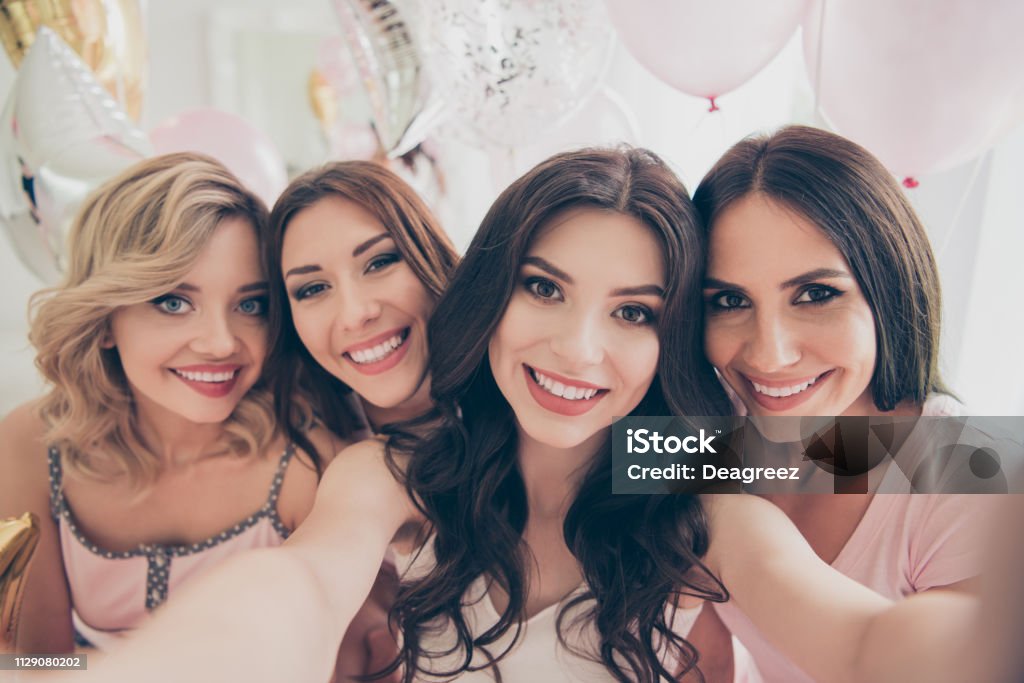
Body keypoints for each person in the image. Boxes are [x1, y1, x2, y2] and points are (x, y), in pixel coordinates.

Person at [54, 148, 982, 683]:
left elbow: (864, 635)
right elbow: (296, 588)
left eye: (635, 312)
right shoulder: (382, 472)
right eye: (543, 287)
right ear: (489, 290)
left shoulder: (709, 495)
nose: (579, 350)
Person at [0, 153, 344, 652]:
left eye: (250, 304)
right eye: (173, 302)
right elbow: (26, 663)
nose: (221, 342)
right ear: (103, 320)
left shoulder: (306, 459)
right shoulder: (25, 447)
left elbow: (343, 662)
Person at [692, 125, 994, 681]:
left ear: (889, 290)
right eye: (730, 300)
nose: (770, 354)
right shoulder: (706, 435)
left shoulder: (968, 482)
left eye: (815, 295)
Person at [264, 160, 459, 680]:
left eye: (379, 262)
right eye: (312, 289)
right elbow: (303, 584)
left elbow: (703, 472)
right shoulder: (359, 465)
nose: (354, 313)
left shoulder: (558, 405)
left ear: (429, 253)